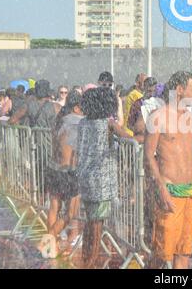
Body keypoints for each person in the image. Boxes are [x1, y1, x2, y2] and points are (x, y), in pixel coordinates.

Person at [144, 71, 192, 269]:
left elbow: (188, 154)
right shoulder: (158, 117)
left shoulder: (188, 117)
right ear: (179, 90)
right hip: (170, 192)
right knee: (161, 254)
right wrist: (161, 189)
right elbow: (148, 156)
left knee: (184, 251)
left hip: (190, 191)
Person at [76, 87, 130, 269]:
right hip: (101, 181)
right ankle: (91, 262)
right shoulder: (108, 123)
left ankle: (86, 257)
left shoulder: (84, 122)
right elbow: (128, 138)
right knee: (97, 225)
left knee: (90, 221)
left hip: (85, 176)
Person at [44, 90, 84, 258]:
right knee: (70, 213)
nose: (85, 111)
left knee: (54, 207)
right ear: (76, 107)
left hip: (53, 168)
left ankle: (51, 247)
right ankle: (47, 242)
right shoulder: (79, 122)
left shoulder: (59, 120)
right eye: (83, 107)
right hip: (69, 172)